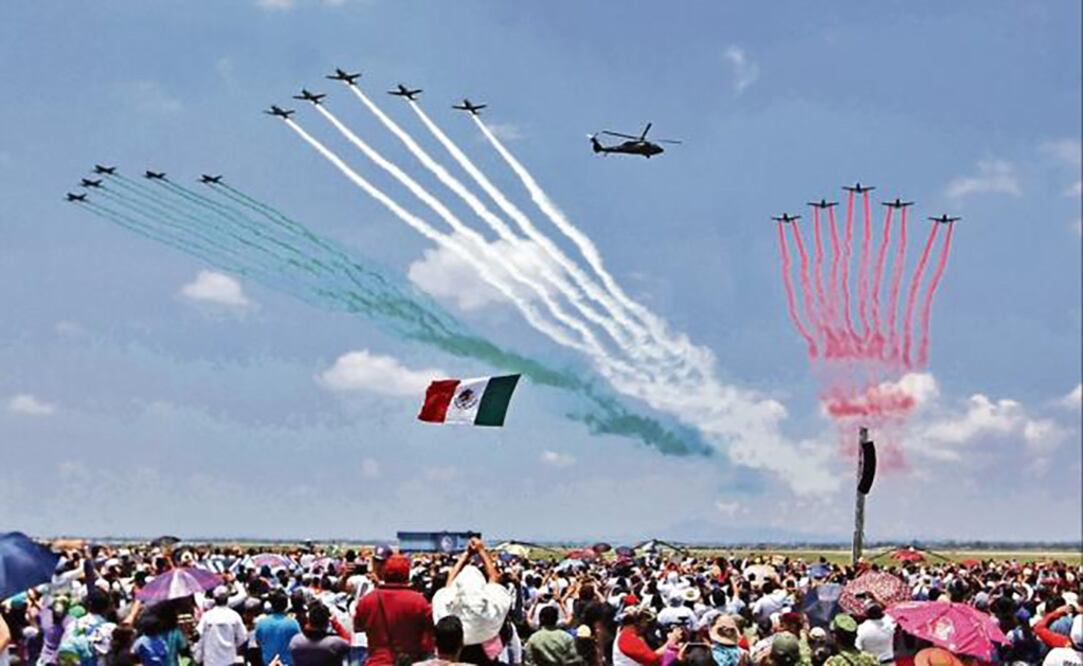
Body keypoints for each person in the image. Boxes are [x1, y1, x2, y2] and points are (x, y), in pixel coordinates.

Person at [432, 540, 512, 666]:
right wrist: (481, 551)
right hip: (484, 659)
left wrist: (466, 554)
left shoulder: (449, 611)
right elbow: (494, 579)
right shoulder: (489, 611)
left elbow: (449, 583)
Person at [353, 555, 433, 666]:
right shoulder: (420, 602)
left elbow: (358, 627)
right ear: (407, 574)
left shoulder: (367, 600)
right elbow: (427, 642)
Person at [195, 587, 248, 666]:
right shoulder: (234, 616)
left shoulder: (207, 616)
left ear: (215, 599)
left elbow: (199, 636)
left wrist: (198, 658)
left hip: (210, 661)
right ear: (227, 598)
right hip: (229, 660)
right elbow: (242, 637)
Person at [613, 609, 681, 666]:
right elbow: (652, 659)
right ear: (638, 623)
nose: (647, 625)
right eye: (645, 621)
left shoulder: (629, 634)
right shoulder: (627, 638)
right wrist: (672, 640)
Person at [255, 593, 301, 666]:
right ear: (286, 606)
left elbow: (258, 642)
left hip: (268, 663)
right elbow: (298, 644)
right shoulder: (293, 623)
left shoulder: (261, 623)